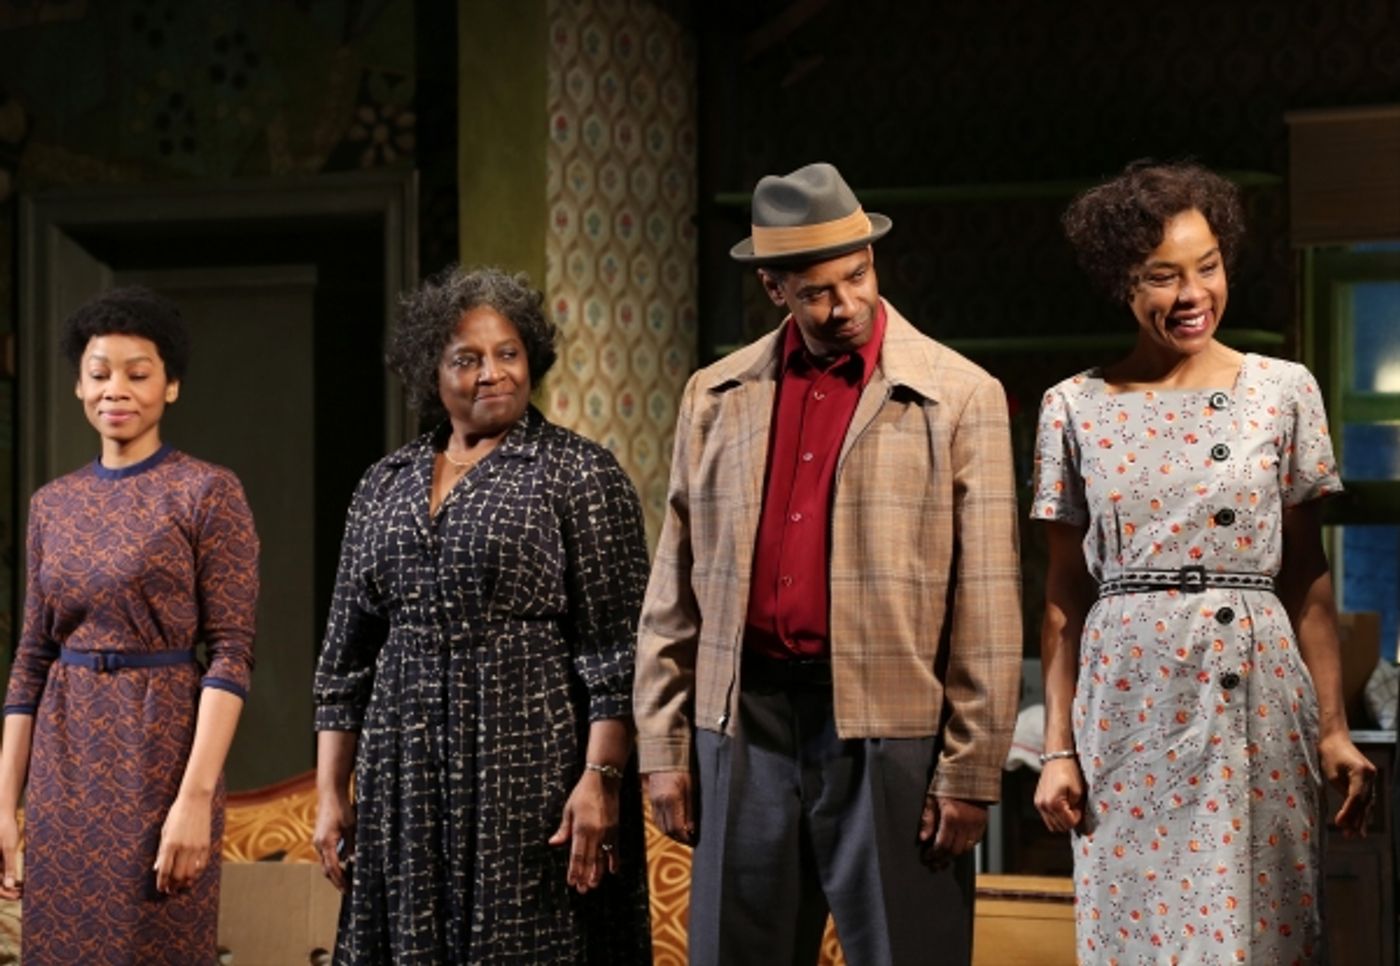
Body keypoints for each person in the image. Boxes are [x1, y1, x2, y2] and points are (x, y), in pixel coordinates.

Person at [634, 162, 1023, 965]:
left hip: (890, 728)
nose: (844, 304)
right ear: (773, 288)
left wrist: (971, 768)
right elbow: (674, 583)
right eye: (816, 290)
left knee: (906, 949)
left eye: (857, 276)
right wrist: (664, 745)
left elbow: (987, 599)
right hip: (745, 720)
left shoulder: (958, 394)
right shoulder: (715, 395)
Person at [1032, 159, 1376, 963]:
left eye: (1208, 267)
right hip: (1127, 705)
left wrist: (1333, 729)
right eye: (1163, 277)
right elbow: (1061, 592)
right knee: (1137, 936)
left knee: (1260, 932)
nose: (1193, 296)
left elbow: (1306, 575)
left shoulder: (1282, 390)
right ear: (1123, 281)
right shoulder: (1073, 405)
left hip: (1252, 694)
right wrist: (1057, 749)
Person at [311, 266, 652, 964]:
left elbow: (618, 653)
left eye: (508, 354)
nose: (491, 373)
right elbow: (344, 661)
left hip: (531, 765)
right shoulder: (385, 483)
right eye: (466, 359)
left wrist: (602, 779)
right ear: (430, 372)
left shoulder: (577, 474)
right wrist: (329, 791)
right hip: (404, 769)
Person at [0, 286, 259, 964]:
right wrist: (5, 806)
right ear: (80, 384)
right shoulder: (52, 504)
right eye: (98, 372)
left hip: (158, 755)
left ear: (170, 385)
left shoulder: (206, 491)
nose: (116, 389)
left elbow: (232, 652)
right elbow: (31, 657)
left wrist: (194, 800)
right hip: (64, 762)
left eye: (138, 373)